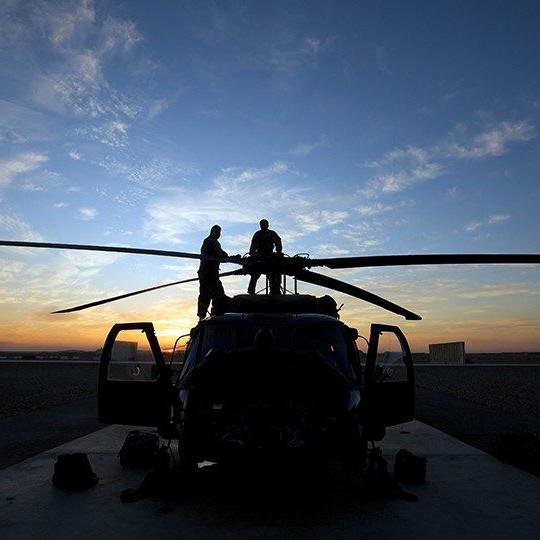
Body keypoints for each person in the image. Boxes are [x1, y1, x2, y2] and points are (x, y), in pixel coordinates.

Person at [197, 225, 229, 319]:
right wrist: (225, 255)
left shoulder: (216, 242)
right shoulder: (209, 241)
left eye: (219, 233)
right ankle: (205, 315)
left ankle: (214, 313)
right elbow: (219, 253)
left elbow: (221, 253)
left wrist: (227, 256)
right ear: (211, 231)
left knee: (213, 294)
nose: (218, 234)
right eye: (216, 232)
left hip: (212, 274)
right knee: (209, 295)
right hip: (207, 274)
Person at [247, 219, 282, 295]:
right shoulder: (257, 234)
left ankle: (275, 291)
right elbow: (253, 245)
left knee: (274, 272)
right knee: (255, 274)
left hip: (270, 256)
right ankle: (251, 290)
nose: (264, 226)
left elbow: (278, 241)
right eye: (262, 225)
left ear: (268, 225)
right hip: (259, 256)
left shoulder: (272, 233)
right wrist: (252, 253)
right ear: (260, 225)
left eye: (265, 224)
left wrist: (278, 252)